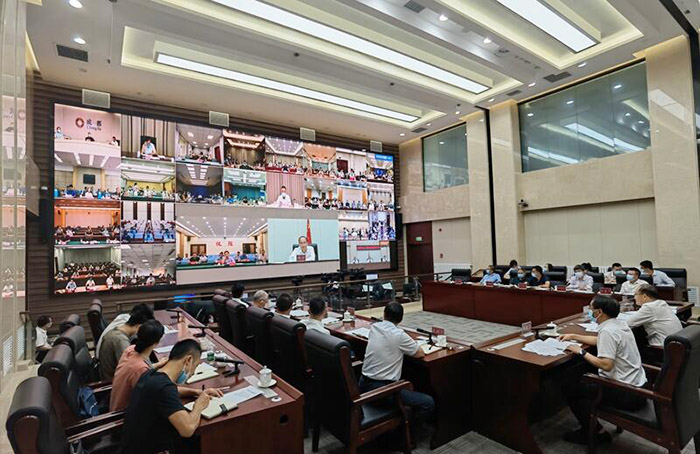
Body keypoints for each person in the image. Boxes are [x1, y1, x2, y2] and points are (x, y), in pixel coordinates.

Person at [559, 296, 646, 444]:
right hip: (637, 387)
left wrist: (581, 351)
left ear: (599, 312)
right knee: (580, 376)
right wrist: (573, 336)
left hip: (624, 393)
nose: (589, 311)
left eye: (591, 309)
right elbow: (600, 340)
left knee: (570, 388)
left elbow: (606, 365)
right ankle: (593, 427)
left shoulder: (608, 331)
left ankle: (594, 433)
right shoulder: (619, 325)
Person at [120, 339, 211, 454]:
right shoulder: (164, 388)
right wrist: (199, 405)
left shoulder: (150, 374)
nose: (193, 373)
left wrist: (195, 392)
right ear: (188, 360)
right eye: (196, 366)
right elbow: (187, 429)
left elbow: (171, 391)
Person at [111, 321, 222, 412]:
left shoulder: (130, 349)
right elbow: (162, 392)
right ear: (157, 342)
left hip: (116, 404)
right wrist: (199, 404)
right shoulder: (142, 371)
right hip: (122, 415)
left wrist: (196, 392)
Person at [360, 302, 435, 428]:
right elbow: (420, 353)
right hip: (382, 391)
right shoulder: (399, 335)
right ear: (400, 319)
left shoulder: (374, 327)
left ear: (384, 314)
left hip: (363, 385)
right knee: (428, 402)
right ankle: (407, 434)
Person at [99, 310, 151, 380]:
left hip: (110, 372)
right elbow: (130, 368)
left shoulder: (116, 330)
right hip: (112, 380)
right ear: (139, 327)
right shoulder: (121, 340)